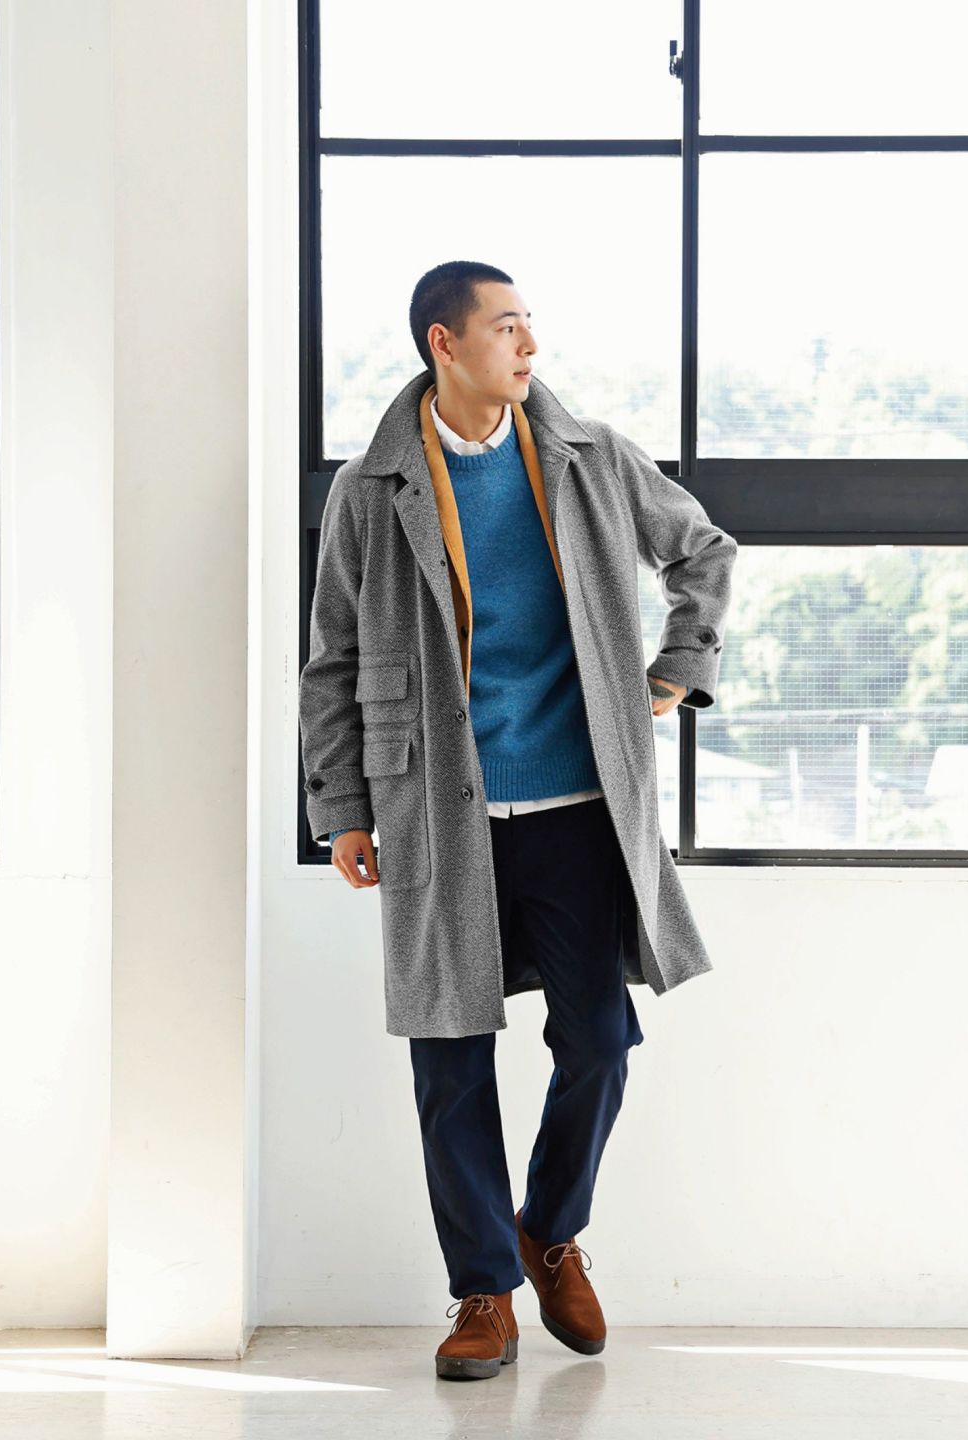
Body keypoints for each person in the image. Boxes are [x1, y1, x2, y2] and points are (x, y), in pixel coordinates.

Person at [300, 260, 736, 1381]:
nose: (529, 345)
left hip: (578, 809)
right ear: (444, 345)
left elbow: (703, 551)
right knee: (451, 1061)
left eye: (530, 325)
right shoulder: (372, 488)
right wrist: (341, 806)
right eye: (506, 327)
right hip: (436, 812)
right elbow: (332, 658)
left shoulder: (591, 458)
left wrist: (678, 666)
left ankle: (550, 1229)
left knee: (599, 1041)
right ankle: (483, 1292)